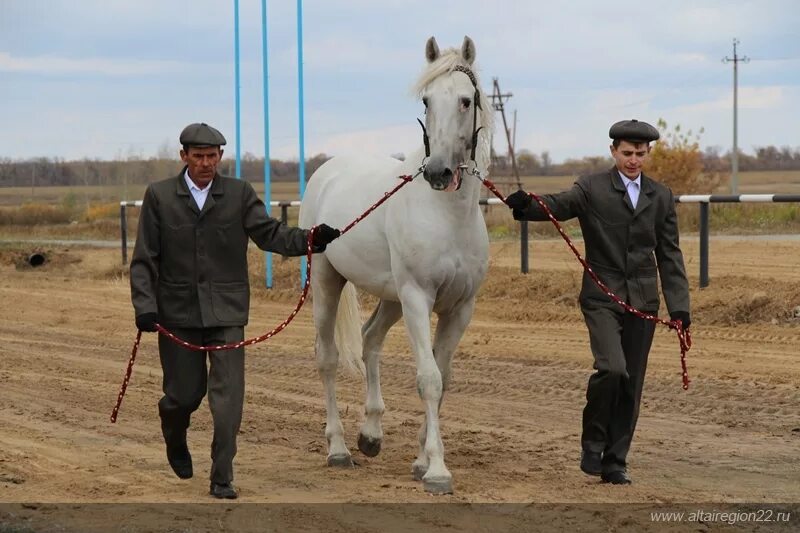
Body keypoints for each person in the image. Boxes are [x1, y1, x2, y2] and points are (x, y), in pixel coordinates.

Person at [130, 122, 340, 499]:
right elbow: (145, 259)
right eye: (198, 156)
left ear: (220, 157)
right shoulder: (159, 196)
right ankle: (174, 435)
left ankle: (222, 476)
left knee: (227, 403)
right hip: (176, 315)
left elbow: (270, 233)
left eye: (212, 156)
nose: (206, 163)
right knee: (183, 396)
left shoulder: (239, 194)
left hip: (227, 314)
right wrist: (145, 307)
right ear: (184, 157)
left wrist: (310, 238)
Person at [506, 119, 691, 485]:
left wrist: (680, 307)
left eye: (640, 154)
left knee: (631, 383)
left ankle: (615, 461)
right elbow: (560, 204)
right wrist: (529, 205)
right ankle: (592, 444)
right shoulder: (591, 188)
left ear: (648, 153)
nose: (633, 160)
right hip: (601, 295)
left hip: (644, 300)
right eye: (627, 153)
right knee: (612, 369)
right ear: (613, 151)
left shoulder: (662, 196)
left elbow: (670, 256)